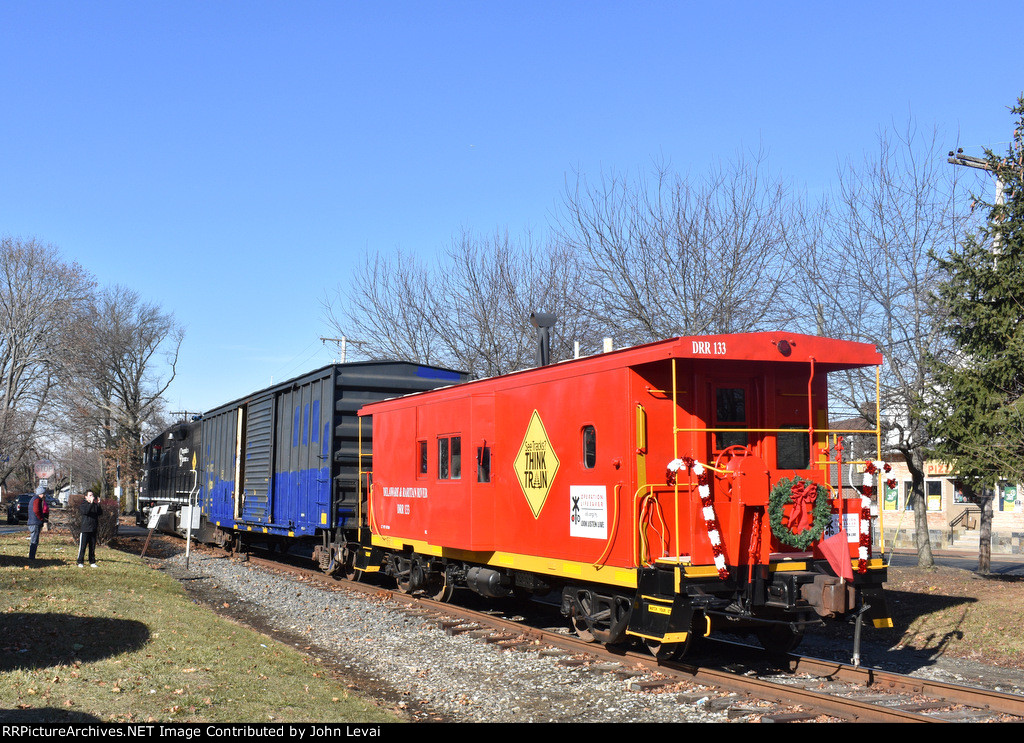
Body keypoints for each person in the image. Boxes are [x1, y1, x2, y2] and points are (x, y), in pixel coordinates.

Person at [77, 490, 102, 568]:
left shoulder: (94, 505)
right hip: (85, 529)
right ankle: (80, 561)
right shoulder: (83, 505)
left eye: (92, 495)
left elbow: (100, 513)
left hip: (93, 529)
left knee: (92, 547)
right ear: (86, 497)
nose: (92, 497)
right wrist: (91, 503)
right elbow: (86, 511)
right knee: (83, 546)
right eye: (90, 495)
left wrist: (98, 504)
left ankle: (92, 561)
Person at [28, 485, 49, 562]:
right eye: (43, 493)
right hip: (35, 523)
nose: (44, 495)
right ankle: (31, 557)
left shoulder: (34, 499)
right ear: (40, 493)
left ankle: (32, 556)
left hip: (32, 522)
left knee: (34, 540)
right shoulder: (37, 500)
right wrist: (41, 518)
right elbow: (36, 511)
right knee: (34, 541)